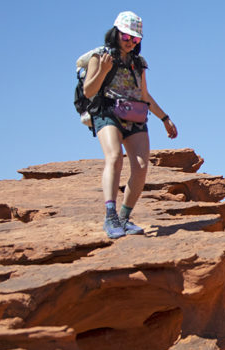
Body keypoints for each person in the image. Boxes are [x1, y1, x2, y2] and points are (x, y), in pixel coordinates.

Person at [83, 11, 178, 239]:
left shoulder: (139, 63)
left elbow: (144, 95)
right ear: (116, 33)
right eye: (127, 37)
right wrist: (104, 70)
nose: (130, 42)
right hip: (108, 112)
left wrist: (165, 118)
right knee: (114, 157)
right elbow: (88, 91)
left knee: (141, 167)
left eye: (135, 39)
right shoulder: (100, 56)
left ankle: (124, 217)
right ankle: (110, 216)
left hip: (135, 115)